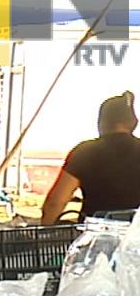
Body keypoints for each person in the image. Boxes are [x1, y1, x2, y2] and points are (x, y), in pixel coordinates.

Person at [43, 92, 140, 224]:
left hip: (95, 237)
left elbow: (55, 202)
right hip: (135, 237)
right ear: (133, 123)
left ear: (102, 122)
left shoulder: (85, 152)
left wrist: (44, 231)